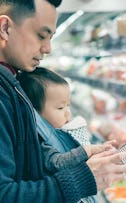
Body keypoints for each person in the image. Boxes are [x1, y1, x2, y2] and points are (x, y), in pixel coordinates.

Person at [0, 0, 126, 203]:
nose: (48, 48)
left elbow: (27, 159)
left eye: (51, 38)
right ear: (5, 28)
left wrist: (82, 156)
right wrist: (84, 178)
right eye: (41, 35)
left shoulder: (5, 78)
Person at [17, 67, 110, 203]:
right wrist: (86, 151)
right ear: (36, 114)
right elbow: (57, 162)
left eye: (68, 106)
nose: (68, 113)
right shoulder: (40, 142)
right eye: (61, 108)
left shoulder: (55, 133)